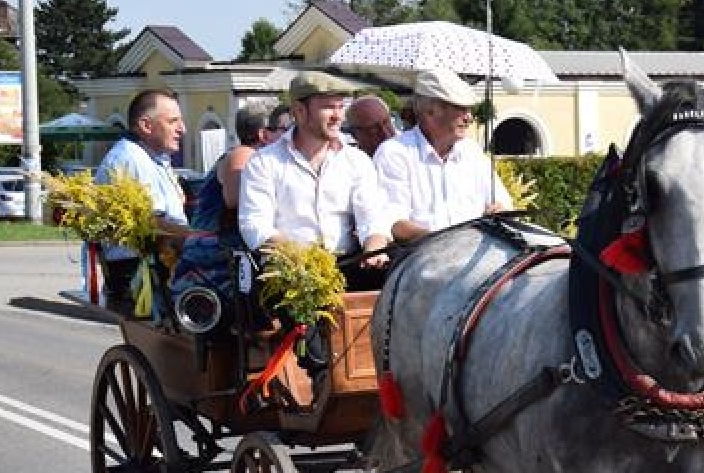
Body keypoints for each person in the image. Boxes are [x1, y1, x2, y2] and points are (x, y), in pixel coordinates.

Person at [239, 72, 386, 290]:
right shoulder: (264, 162)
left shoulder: (357, 161)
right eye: (328, 107)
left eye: (340, 106)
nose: (338, 116)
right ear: (299, 111)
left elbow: (372, 218)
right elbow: (256, 227)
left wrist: (374, 248)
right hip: (288, 273)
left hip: (347, 269)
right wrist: (305, 260)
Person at [371, 67, 511, 246]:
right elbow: (394, 224)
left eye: (469, 109)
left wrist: (499, 210)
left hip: (476, 259)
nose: (469, 117)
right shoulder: (395, 153)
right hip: (419, 260)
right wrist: (445, 242)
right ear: (430, 112)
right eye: (460, 108)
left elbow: (503, 204)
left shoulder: (472, 152)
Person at [169, 105, 276, 326]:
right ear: (262, 134)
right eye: (284, 128)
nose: (290, 134)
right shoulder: (243, 154)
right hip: (213, 247)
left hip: (229, 245)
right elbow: (235, 199)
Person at [94, 89, 188, 314]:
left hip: (156, 265)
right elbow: (151, 223)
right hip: (142, 274)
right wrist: (198, 239)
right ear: (146, 126)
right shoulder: (132, 159)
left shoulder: (150, 157)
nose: (182, 129)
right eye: (173, 121)